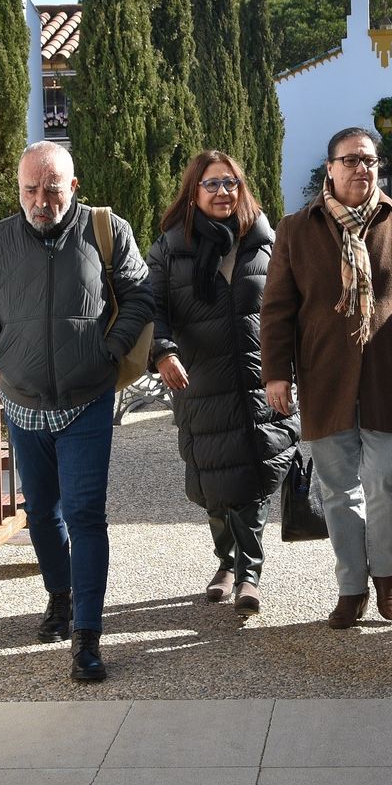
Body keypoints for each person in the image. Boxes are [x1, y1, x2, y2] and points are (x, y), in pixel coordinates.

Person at [0, 140, 152, 683]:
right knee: (42, 512)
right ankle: (60, 597)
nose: (40, 200)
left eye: (51, 189)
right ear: (18, 188)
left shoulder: (104, 231)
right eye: (29, 189)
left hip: (87, 400)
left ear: (74, 186)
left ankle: (87, 638)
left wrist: (109, 350)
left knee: (87, 515)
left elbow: (140, 293)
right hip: (23, 405)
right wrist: (0, 355)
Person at [260, 126, 392, 629]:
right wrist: (276, 374)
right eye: (348, 160)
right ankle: (351, 586)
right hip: (324, 377)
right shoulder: (296, 229)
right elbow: (277, 308)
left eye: (368, 160)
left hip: (386, 377)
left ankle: (386, 577)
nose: (360, 169)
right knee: (337, 490)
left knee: (387, 481)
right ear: (330, 168)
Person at [147, 150, 300, 616]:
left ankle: (249, 573)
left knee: (250, 476)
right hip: (201, 381)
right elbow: (152, 308)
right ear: (194, 191)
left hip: (257, 380)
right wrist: (163, 352)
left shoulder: (266, 242)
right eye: (212, 184)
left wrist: (292, 369)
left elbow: (292, 307)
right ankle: (226, 562)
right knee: (215, 480)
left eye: (230, 183)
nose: (222, 192)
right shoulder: (171, 248)